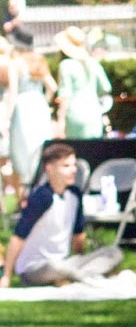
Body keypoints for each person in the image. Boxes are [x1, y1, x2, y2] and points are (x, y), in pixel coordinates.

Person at [0, 141, 122, 287]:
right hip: (35, 267)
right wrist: (7, 275)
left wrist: (81, 258)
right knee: (56, 268)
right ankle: (87, 276)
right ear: (49, 169)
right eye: (66, 166)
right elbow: (18, 237)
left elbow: (78, 235)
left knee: (113, 253)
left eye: (73, 165)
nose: (73, 170)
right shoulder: (42, 197)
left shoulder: (75, 195)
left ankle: (76, 276)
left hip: (64, 262)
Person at [4, 46, 56, 190]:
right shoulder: (38, 61)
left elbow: (13, 93)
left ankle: (27, 193)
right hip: (39, 106)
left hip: (23, 109)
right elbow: (52, 86)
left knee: (23, 152)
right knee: (39, 148)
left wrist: (6, 119)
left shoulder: (15, 64)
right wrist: (45, 101)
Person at [54, 28, 112, 141]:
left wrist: (60, 122)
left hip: (73, 117)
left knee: (76, 154)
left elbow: (65, 96)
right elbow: (106, 87)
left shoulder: (65, 65)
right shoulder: (92, 62)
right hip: (94, 115)